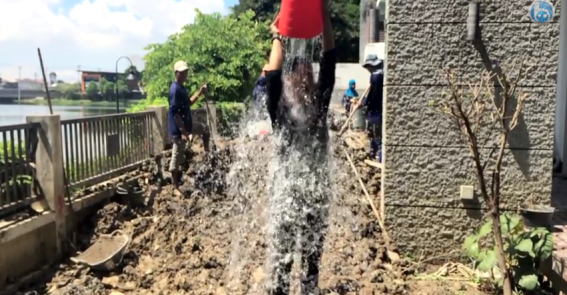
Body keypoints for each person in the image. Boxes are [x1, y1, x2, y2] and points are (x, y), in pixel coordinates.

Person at [263, 0, 335, 293]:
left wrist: (324, 13)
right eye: (300, 73)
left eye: (310, 73)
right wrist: (278, 35)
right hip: (286, 197)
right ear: (290, 80)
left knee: (311, 264)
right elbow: (272, 77)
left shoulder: (319, 108)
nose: (306, 76)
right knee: (281, 265)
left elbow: (330, 57)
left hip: (316, 196)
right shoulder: (280, 114)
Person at [168, 60, 208, 197]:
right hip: (179, 129)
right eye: (182, 72)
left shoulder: (182, 88)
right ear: (176, 73)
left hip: (188, 126)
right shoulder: (174, 90)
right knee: (176, 156)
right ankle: (174, 186)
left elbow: (189, 103)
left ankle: (208, 154)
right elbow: (175, 114)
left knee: (205, 129)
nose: (185, 74)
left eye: (186, 72)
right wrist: (184, 132)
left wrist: (200, 92)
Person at [358, 54, 384, 159]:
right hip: (379, 110)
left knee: (376, 135)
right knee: (376, 135)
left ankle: (377, 155)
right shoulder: (381, 74)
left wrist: (363, 102)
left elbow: (372, 95)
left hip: (375, 112)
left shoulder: (376, 77)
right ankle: (375, 153)